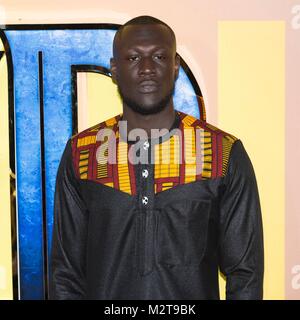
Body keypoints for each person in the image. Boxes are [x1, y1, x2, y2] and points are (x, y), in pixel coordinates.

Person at [49, 15, 264, 300]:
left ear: (175, 66)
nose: (147, 68)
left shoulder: (222, 153)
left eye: (160, 56)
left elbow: (245, 274)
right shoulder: (84, 153)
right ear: (114, 69)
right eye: (134, 58)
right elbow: (66, 274)